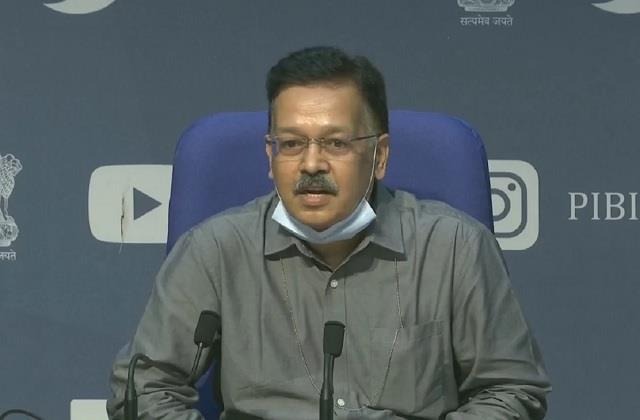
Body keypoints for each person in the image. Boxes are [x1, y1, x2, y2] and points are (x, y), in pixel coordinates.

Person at [107, 46, 551, 419]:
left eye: (336, 143)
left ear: (380, 156)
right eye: (291, 144)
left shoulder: (454, 248)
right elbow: (143, 388)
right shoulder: (216, 250)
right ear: (269, 157)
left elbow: (511, 390)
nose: (311, 164)